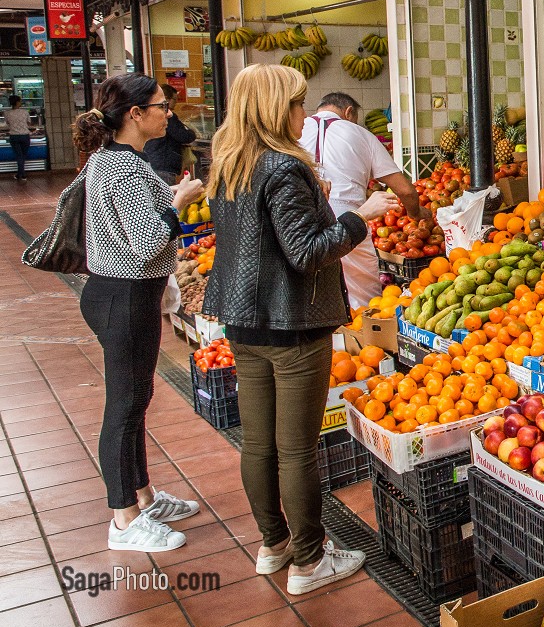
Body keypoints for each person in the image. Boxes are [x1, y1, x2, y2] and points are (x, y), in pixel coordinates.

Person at [203, 64, 398, 595]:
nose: (302, 113)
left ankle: (274, 544)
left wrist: (315, 200)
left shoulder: (229, 163)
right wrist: (361, 214)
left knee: (259, 443)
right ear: (276, 110)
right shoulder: (282, 168)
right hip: (291, 323)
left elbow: (264, 237)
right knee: (297, 450)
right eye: (296, 103)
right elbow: (307, 252)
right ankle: (310, 561)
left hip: (245, 321)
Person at [73, 74, 207, 552]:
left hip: (127, 294)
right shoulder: (122, 169)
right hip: (123, 295)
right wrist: (180, 202)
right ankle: (123, 518)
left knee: (135, 402)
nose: (167, 113)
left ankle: (142, 497)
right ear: (135, 114)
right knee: (124, 407)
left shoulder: (119, 161)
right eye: (159, 106)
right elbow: (146, 241)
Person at [298, 92, 424, 307]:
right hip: (349, 218)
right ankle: (362, 337)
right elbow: (405, 190)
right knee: (365, 302)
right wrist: (417, 214)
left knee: (309, 296)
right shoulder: (360, 133)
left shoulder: (297, 129)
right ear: (349, 112)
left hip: (301, 218)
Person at [143, 84, 198, 184]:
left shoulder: (149, 116)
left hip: (153, 162)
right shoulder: (168, 116)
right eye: (175, 100)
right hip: (164, 165)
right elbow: (183, 136)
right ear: (166, 100)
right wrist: (190, 133)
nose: (176, 103)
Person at [4, 95, 32, 180]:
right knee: (23, 155)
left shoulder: (7, 113)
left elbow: (7, 124)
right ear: (17, 102)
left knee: (19, 155)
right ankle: (22, 175)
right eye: (20, 101)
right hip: (25, 135)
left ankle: (19, 174)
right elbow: (29, 123)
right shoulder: (25, 112)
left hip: (14, 136)